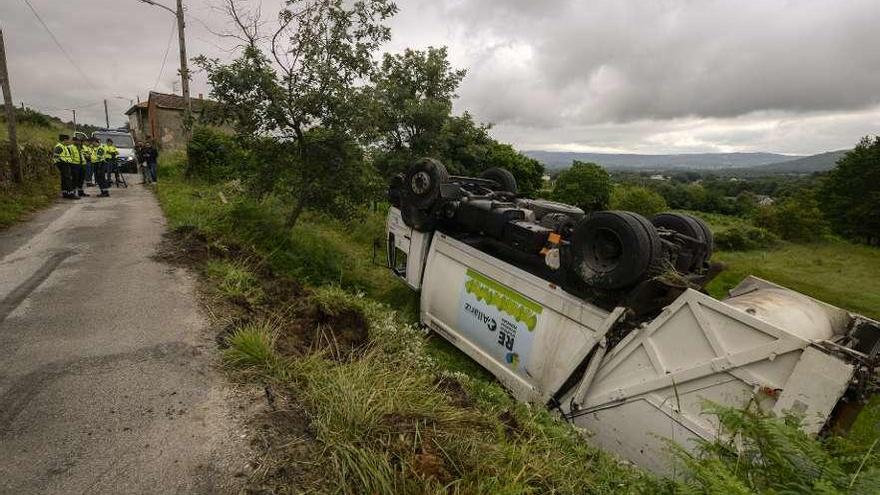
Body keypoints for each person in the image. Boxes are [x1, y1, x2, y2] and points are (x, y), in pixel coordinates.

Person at [52, 134, 77, 199]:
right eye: (68, 140)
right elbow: (55, 157)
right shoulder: (59, 147)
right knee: (68, 179)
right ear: (65, 140)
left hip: (65, 164)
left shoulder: (64, 146)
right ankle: (71, 194)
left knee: (64, 179)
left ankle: (65, 193)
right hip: (63, 164)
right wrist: (61, 163)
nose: (69, 142)